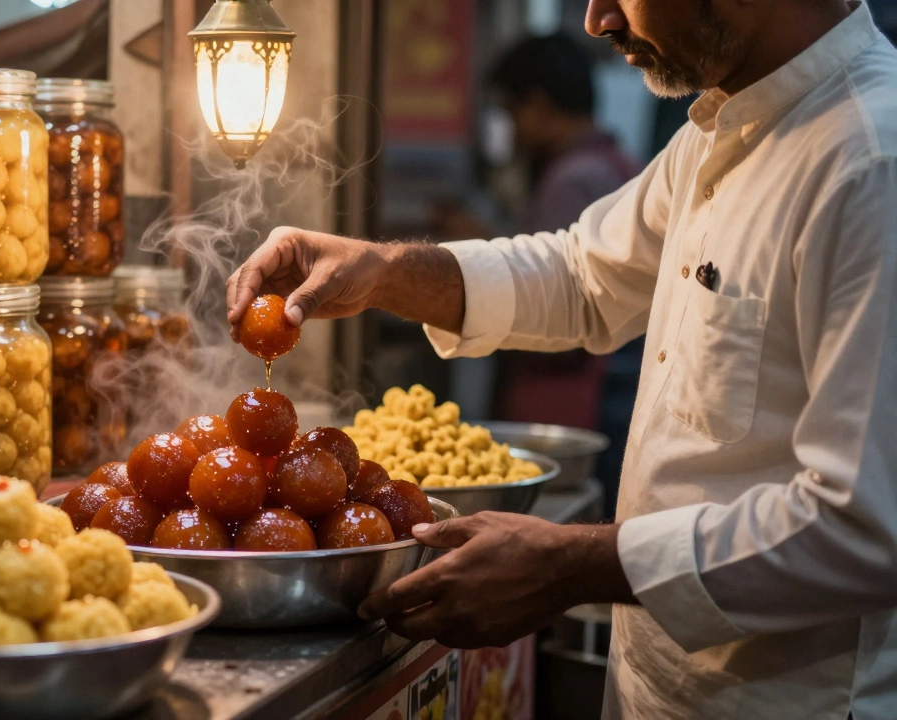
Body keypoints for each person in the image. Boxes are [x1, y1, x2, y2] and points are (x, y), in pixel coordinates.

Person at [226, 1, 897, 717]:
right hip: (662, 689)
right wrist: (384, 272)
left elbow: (865, 530)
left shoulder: (869, 161)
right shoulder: (723, 129)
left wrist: (571, 562)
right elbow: (582, 276)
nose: (598, 19)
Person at [484, 34, 644, 517]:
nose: (511, 132)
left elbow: (555, 302)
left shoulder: (573, 178)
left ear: (536, 104)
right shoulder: (618, 164)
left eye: (510, 114)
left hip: (572, 407)